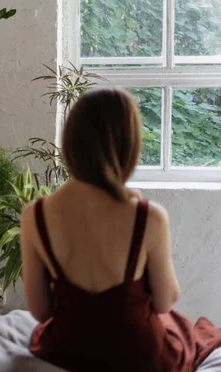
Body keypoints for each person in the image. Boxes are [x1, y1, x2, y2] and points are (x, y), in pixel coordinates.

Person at [21, 87, 221, 372]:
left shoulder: (35, 215)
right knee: (191, 330)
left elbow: (40, 312)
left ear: (71, 143)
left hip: (67, 351)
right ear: (129, 146)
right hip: (138, 355)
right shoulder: (148, 217)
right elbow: (165, 302)